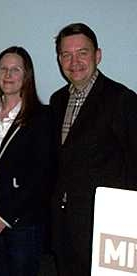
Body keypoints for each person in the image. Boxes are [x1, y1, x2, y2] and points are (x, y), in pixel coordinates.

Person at [50, 22, 137, 276]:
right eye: (66, 54)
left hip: (106, 226)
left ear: (98, 55)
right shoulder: (58, 99)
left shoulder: (122, 99)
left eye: (82, 52)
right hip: (63, 222)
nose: (73, 61)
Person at [0, 46, 55, 276]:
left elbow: (42, 175)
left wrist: (7, 215)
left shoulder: (42, 118)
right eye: (3, 69)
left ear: (27, 76)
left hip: (22, 223)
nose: (8, 75)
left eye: (15, 70)